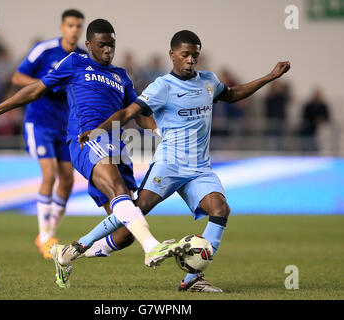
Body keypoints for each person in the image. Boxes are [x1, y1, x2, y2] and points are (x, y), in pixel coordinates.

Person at [0, 19, 190, 288]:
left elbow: (138, 115)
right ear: (89, 45)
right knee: (119, 191)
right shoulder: (75, 63)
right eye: (102, 45)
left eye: (112, 45)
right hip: (88, 139)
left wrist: (162, 130)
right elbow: (36, 90)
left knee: (123, 234)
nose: (108, 50)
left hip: (117, 147)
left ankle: (67, 253)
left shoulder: (121, 76)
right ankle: (152, 246)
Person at [77, 30, 291, 292]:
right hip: (169, 164)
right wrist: (99, 129)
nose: (191, 60)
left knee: (220, 209)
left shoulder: (209, 81)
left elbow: (233, 94)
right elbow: (128, 112)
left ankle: (192, 280)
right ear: (173, 55)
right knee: (135, 210)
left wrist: (270, 76)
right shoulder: (162, 87)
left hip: (200, 169)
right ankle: (82, 245)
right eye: (186, 55)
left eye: (195, 55)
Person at [9, 9, 86, 259]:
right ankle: (44, 236)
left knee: (67, 180)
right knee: (50, 174)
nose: (74, 30)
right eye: (70, 25)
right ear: (62, 27)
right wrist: (44, 84)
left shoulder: (82, 58)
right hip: (39, 121)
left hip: (66, 126)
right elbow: (17, 76)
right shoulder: (44, 50)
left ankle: (50, 232)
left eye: (78, 26)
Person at [299, 88, 330, 152]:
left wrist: (321, 120)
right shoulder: (309, 106)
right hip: (309, 130)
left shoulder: (323, 106)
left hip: (321, 130)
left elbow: (327, 117)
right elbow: (304, 117)